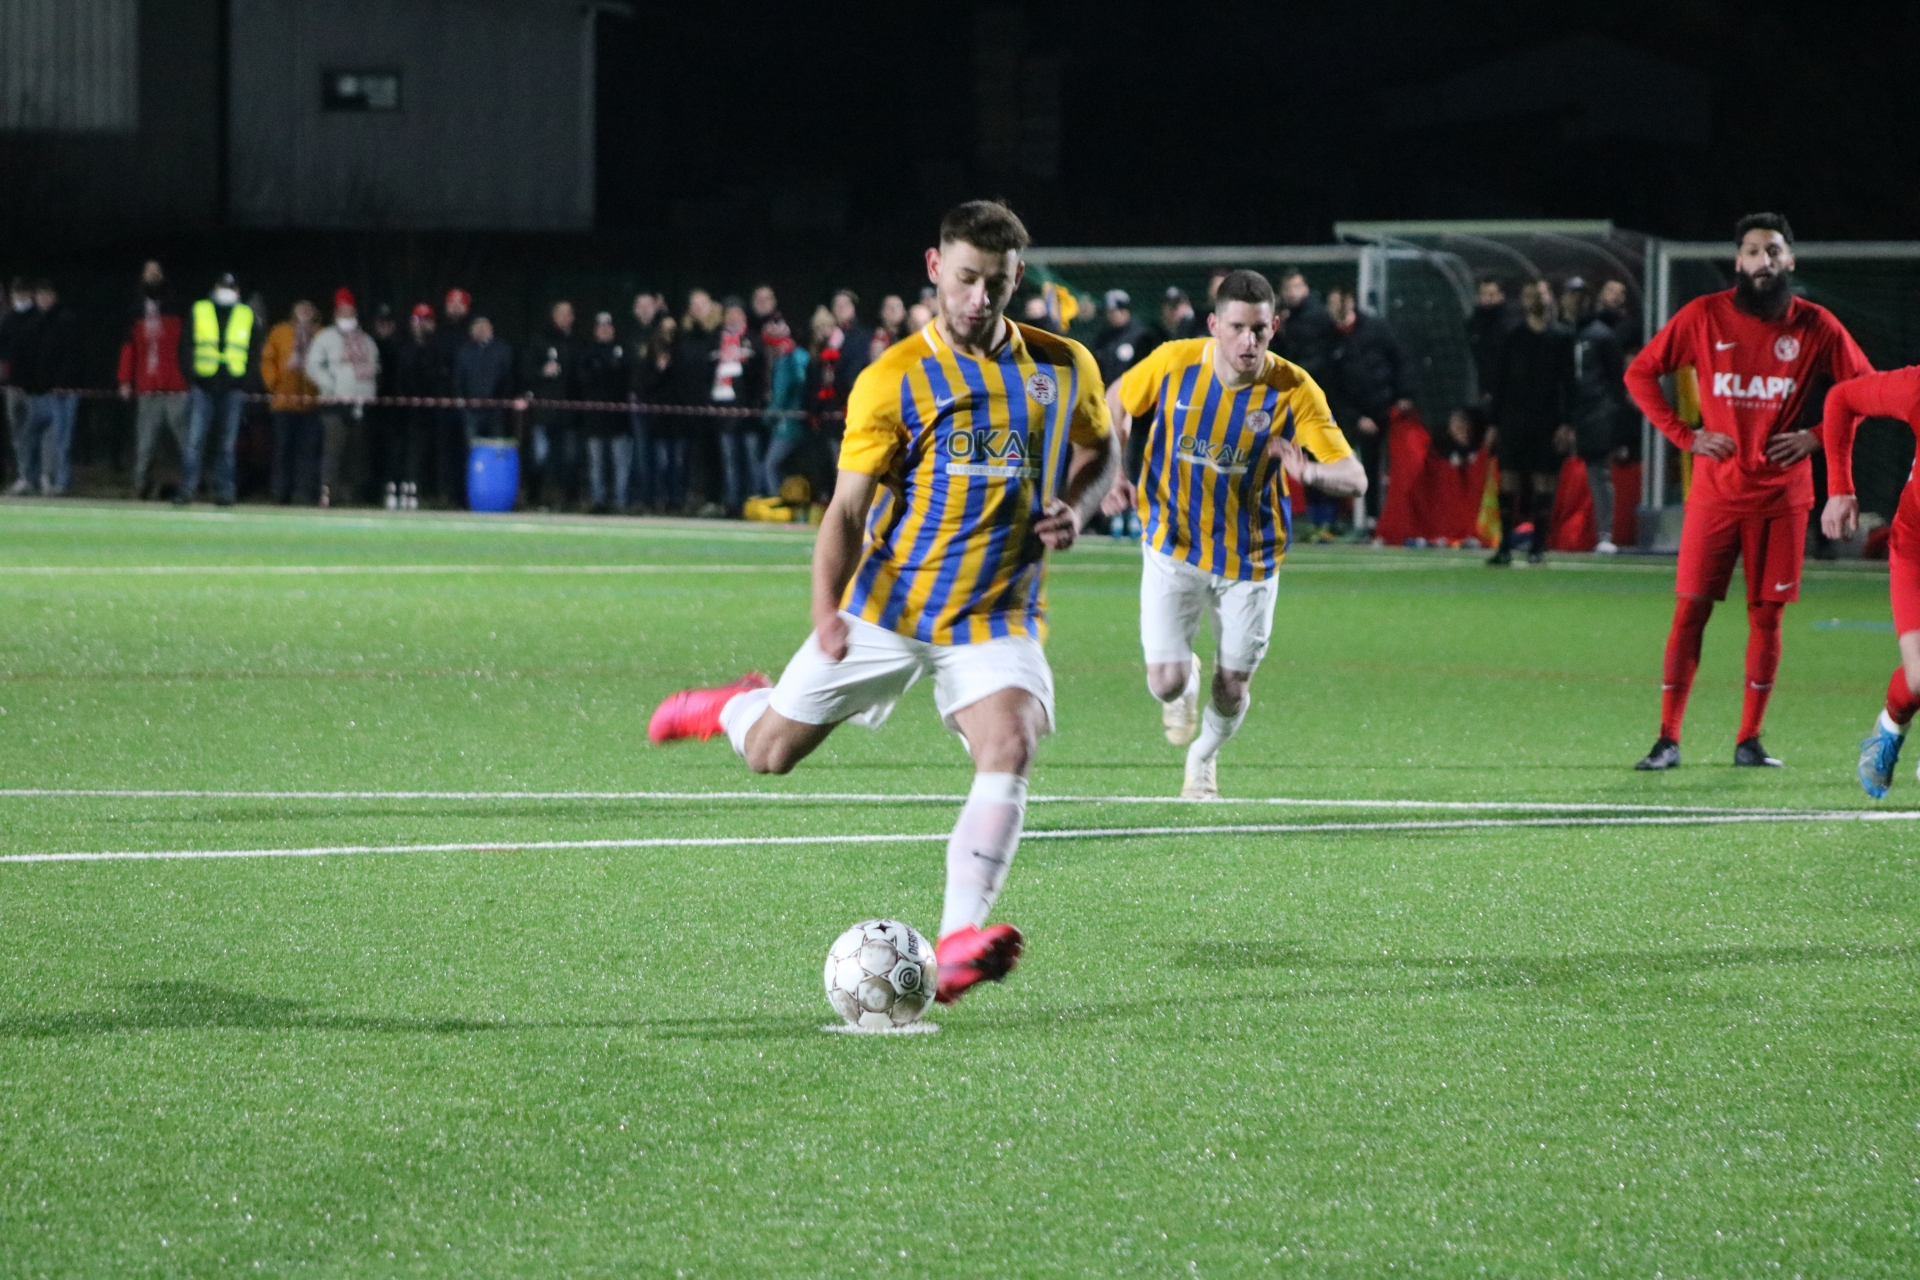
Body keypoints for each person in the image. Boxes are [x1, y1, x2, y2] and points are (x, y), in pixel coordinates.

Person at [648, 199, 1118, 1007]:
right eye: (965, 278)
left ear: (1018, 280)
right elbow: (846, 511)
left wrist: (1079, 505)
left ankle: (958, 941)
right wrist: (825, 610)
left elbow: (1101, 448)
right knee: (770, 754)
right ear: (935, 268)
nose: (980, 298)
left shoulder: (1063, 364)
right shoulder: (893, 377)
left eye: (997, 283)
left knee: (1009, 743)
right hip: (888, 608)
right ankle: (734, 705)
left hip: (995, 615)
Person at [1100, 269, 1364, 799]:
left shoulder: (1293, 388)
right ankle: (1182, 684)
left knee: (1232, 689)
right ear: (1214, 325)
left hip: (1250, 557)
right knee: (1165, 683)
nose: (1249, 341)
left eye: (1260, 330)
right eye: (1238, 328)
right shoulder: (1174, 362)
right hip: (1173, 542)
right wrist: (1115, 473)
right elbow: (1115, 401)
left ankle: (1203, 756)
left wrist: (1310, 471)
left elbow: (1355, 478)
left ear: (1274, 327)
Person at [1624, 212, 1872, 772]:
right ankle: (1667, 738)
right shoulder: (1703, 315)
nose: (1764, 261)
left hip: (1783, 498)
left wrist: (1815, 436)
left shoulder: (1816, 325)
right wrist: (1685, 436)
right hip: (1716, 495)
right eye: (1754, 252)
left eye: (1774, 251)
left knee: (1767, 618)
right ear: (1738, 261)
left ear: (1791, 260)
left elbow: (1863, 389)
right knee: (1690, 612)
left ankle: (1749, 740)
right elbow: (1640, 374)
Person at [1822, 368, 1920, 794]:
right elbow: (1841, 399)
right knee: (1919, 678)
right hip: (1916, 550)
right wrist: (1840, 487)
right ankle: (1890, 727)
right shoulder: (1916, 388)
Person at [1486, 279, 1575, 564]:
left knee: (1543, 481)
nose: (1536, 300)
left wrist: (1567, 422)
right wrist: (1494, 423)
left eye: (1540, 294)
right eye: (1530, 295)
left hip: (1546, 419)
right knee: (1509, 480)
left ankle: (1537, 546)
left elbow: (1569, 382)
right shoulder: (1512, 336)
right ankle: (1504, 547)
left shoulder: (1561, 337)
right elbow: (1499, 382)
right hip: (1513, 418)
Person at [1318, 284, 1410, 530]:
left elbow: (1399, 360)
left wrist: (1403, 394)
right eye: (1331, 304)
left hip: (1388, 407)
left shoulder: (1375, 328)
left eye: (1338, 302)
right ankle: (1362, 520)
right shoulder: (1328, 339)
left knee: (1395, 465)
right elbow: (1332, 387)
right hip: (1356, 415)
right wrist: (1355, 418)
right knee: (1358, 465)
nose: (1334, 308)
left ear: (1350, 302)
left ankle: (1394, 520)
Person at [176, 273, 260, 505]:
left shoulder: (246, 315)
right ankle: (187, 490)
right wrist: (192, 377)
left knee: (227, 446)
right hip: (203, 386)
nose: (227, 291)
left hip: (233, 388)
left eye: (230, 287)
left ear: (238, 291)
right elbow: (185, 346)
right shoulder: (199, 310)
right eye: (223, 286)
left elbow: (254, 352)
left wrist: (245, 383)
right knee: (194, 442)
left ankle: (225, 491)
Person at [1564, 278, 1628, 553]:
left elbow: (1615, 380)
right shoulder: (1561, 333)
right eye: (1571, 295)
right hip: (1563, 409)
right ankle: (1546, 529)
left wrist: (1610, 414)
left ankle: (1604, 533)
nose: (1576, 302)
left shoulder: (1601, 336)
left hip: (1595, 411)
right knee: (1546, 473)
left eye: (1581, 296)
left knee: (1598, 470)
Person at [118, 276, 190, 499]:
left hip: (175, 388)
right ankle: (140, 485)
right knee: (146, 442)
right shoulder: (137, 318)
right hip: (149, 388)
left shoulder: (177, 317)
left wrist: (189, 380)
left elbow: (187, 350)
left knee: (186, 441)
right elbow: (129, 349)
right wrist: (125, 380)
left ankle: (193, 483)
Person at [308, 288, 380, 508]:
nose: (347, 317)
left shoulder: (366, 340)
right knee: (334, 449)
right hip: (335, 403)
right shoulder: (325, 338)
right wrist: (331, 386)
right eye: (343, 312)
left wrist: (368, 390)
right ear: (336, 313)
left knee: (356, 452)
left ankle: (351, 494)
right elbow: (313, 366)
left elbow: (375, 366)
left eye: (350, 312)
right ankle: (327, 492)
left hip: (360, 403)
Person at [259, 299, 323, 504]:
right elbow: (268, 360)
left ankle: (305, 494)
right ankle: (280, 494)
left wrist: (322, 390)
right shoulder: (280, 331)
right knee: (283, 450)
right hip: (283, 403)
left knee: (309, 451)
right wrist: (274, 385)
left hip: (312, 403)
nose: (304, 311)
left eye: (308, 308)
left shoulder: (321, 334)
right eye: (300, 308)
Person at [711, 295, 767, 513]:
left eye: (737, 313)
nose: (733, 317)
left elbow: (760, 375)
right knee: (729, 460)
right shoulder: (716, 340)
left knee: (752, 458)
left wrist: (754, 403)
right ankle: (732, 505)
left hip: (748, 411)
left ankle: (755, 504)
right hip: (724, 412)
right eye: (729, 313)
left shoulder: (754, 340)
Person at [525, 299, 581, 510]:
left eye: (569, 314)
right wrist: (542, 372)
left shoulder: (577, 343)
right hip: (544, 412)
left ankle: (567, 501)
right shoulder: (539, 340)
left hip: (569, 413)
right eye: (561, 314)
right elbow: (526, 371)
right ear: (553, 316)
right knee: (540, 456)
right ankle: (535, 498)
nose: (565, 318)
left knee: (569, 458)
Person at [389, 304, 443, 509]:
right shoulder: (401, 346)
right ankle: (395, 486)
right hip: (401, 409)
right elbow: (397, 377)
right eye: (417, 321)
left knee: (420, 451)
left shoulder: (436, 347)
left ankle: (416, 488)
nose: (421, 325)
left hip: (427, 410)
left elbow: (435, 378)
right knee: (399, 449)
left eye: (425, 321)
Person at [578, 312, 632, 513]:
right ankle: (598, 501)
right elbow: (584, 377)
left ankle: (620, 501)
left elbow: (626, 376)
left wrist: (604, 369)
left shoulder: (623, 348)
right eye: (601, 327)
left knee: (620, 463)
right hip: (594, 418)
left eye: (608, 326)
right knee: (596, 463)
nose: (604, 330)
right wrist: (606, 369)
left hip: (619, 418)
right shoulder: (588, 351)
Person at [759, 308, 809, 499]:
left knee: (770, 465)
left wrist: (766, 419)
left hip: (787, 424)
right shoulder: (803, 356)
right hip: (805, 422)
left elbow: (780, 397)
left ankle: (776, 501)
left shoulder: (785, 363)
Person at [635, 314, 683, 512]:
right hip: (653, 417)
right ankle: (650, 500)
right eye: (664, 329)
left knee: (674, 463)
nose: (668, 334)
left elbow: (682, 384)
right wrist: (659, 370)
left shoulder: (680, 354)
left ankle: (674, 501)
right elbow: (642, 385)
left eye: (672, 330)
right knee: (652, 462)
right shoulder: (648, 356)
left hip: (676, 418)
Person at [433, 288, 474, 504]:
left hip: (470, 401)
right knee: (445, 449)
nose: (456, 308)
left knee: (467, 448)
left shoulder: (472, 333)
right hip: (445, 400)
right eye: (452, 303)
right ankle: (445, 493)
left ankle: (467, 494)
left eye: (460, 304)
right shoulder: (439, 333)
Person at [452, 315, 517, 446]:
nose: (480, 330)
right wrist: (462, 402)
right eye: (477, 327)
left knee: (496, 447)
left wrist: (502, 403)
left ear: (491, 330)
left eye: (484, 327)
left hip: (496, 410)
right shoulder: (464, 351)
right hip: (471, 410)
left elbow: (509, 377)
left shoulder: (503, 350)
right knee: (472, 448)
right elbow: (458, 378)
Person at [1, 278, 35, 489]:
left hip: (32, 387)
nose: (19, 298)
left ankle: (36, 476)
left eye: (23, 293)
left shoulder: (36, 318)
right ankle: (24, 476)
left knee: (32, 432)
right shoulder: (8, 319)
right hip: (12, 386)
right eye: (17, 294)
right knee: (17, 434)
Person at [1467, 276, 1521, 400]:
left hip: (1506, 388)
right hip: (1481, 388)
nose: (1487, 299)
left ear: (1501, 296)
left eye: (1491, 294)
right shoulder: (1473, 325)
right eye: (1484, 294)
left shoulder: (1510, 325)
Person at [1272, 268, 1331, 377]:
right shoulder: (1281, 314)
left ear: (1305, 289)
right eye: (1287, 288)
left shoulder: (1317, 314)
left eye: (1297, 287)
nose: (1292, 293)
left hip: (1315, 375)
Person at [1091, 289, 1155, 387]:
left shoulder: (1141, 336)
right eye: (1108, 311)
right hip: (1106, 391)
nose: (1110, 315)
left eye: (1114, 311)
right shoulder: (1103, 337)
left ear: (1125, 311)